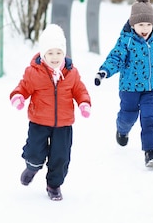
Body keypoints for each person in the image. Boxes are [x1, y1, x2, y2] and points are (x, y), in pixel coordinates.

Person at [10, 23, 92, 201]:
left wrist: (84, 103)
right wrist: (18, 96)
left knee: (61, 157)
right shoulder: (34, 72)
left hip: (63, 123)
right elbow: (23, 87)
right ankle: (32, 166)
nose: (55, 57)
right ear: (42, 53)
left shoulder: (71, 73)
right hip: (39, 120)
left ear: (64, 53)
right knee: (34, 151)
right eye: (50, 53)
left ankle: (54, 185)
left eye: (58, 52)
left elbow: (80, 90)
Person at [94, 0, 153, 168]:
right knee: (128, 116)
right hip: (129, 88)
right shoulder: (126, 41)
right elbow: (115, 58)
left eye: (148, 25)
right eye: (141, 24)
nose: (144, 29)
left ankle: (151, 153)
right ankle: (122, 129)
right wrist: (103, 72)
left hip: (151, 88)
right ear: (133, 24)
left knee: (150, 118)